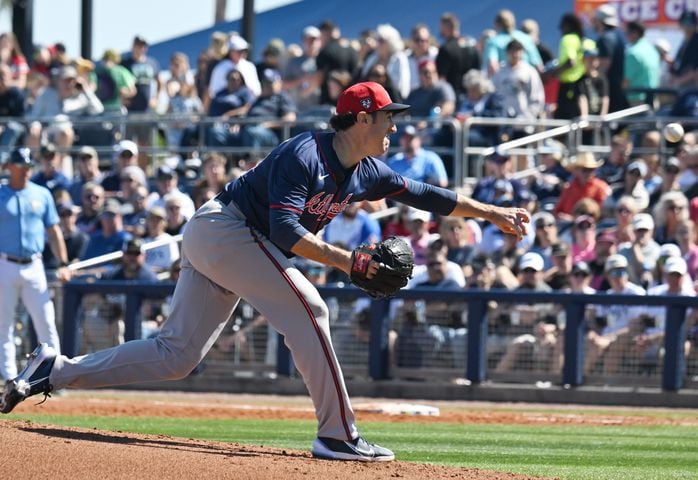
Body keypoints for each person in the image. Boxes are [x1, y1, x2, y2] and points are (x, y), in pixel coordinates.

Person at [0, 81, 529, 461]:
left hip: (230, 240)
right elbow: (285, 236)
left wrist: (492, 213)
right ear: (362, 119)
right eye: (389, 115)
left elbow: (427, 196)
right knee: (312, 307)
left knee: (176, 356)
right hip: (226, 230)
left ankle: (54, 369)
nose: (396, 124)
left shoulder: (366, 169)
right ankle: (337, 435)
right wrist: (351, 261)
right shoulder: (306, 154)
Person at [0, 148, 69, 382]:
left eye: (29, 166)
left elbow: (54, 230)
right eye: (21, 166)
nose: (26, 171)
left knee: (45, 320)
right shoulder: (1, 194)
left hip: (34, 264)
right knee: (3, 323)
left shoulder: (41, 194)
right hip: (4, 263)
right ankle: (9, 379)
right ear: (9, 166)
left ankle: (53, 375)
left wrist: (64, 262)